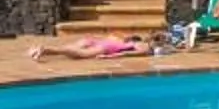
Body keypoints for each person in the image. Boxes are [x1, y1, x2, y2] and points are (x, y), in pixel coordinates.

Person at [29, 26, 195, 63]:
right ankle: (44, 50)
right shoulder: (144, 49)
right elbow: (126, 54)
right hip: (106, 48)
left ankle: (38, 49)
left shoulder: (135, 38)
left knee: (68, 49)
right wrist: (107, 57)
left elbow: (112, 35)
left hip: (100, 40)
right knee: (72, 54)